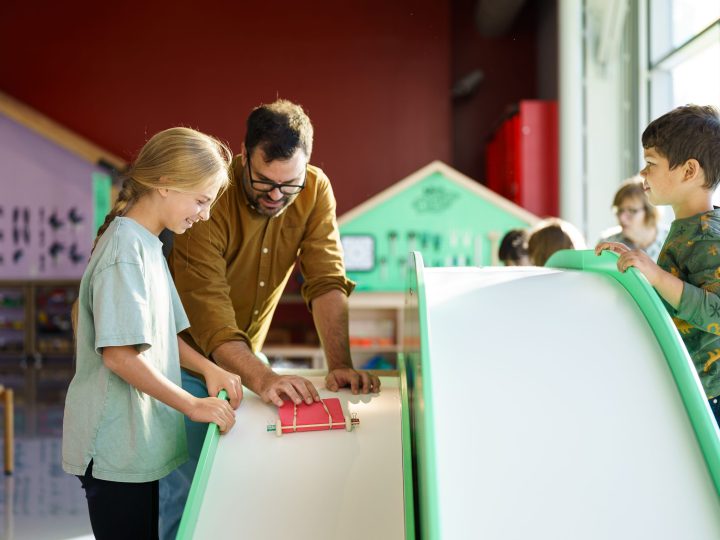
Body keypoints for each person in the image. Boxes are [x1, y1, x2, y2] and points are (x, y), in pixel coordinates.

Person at [159, 99, 382, 538]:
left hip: (244, 362)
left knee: (232, 485)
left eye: (289, 184)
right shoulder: (212, 196)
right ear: (244, 154)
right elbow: (210, 314)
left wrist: (339, 363)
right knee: (181, 494)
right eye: (264, 181)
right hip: (183, 360)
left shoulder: (315, 190)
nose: (276, 195)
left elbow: (326, 280)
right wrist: (263, 379)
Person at [62, 127, 242, 539]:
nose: (205, 214)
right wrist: (193, 405)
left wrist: (207, 369)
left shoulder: (147, 243)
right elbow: (120, 355)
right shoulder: (126, 249)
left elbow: (158, 335)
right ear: (164, 184)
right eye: (200, 200)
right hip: (113, 447)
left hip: (133, 444)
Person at [596, 104, 720, 430]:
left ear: (689, 171)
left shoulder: (708, 236)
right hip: (692, 389)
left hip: (710, 397)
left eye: (651, 163)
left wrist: (656, 275)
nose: (643, 173)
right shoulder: (689, 227)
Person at [598, 175, 668, 260]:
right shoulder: (608, 245)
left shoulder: (673, 242)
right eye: (620, 210)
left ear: (650, 211)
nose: (622, 218)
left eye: (631, 211)